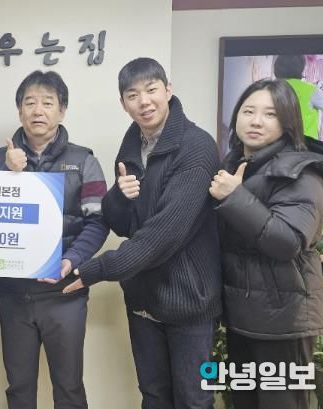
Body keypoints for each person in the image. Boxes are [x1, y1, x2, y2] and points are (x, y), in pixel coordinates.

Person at [64, 57, 222, 409]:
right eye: (133, 95)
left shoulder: (197, 146)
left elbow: (165, 233)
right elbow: (124, 224)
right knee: (153, 397)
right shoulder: (131, 146)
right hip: (143, 300)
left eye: (151, 90)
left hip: (190, 301)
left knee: (194, 400)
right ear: (123, 103)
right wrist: (119, 196)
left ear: (168, 90)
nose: (144, 102)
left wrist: (99, 268)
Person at [208, 78, 323, 409]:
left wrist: (234, 197)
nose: (256, 121)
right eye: (248, 111)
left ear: (288, 122)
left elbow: (287, 241)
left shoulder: (302, 173)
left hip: (284, 322)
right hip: (243, 315)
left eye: (270, 114)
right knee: (245, 403)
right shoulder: (236, 166)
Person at [0, 70, 108, 409]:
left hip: (65, 294)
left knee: (69, 388)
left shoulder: (84, 161)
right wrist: (8, 174)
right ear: (19, 111)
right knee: (19, 388)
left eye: (47, 103)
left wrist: (71, 260)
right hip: (13, 295)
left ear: (62, 111)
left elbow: (98, 223)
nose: (38, 110)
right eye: (30, 103)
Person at [274, 54, 323, 139]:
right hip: (306, 141)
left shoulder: (273, 88)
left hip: (279, 139)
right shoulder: (311, 89)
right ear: (300, 67)